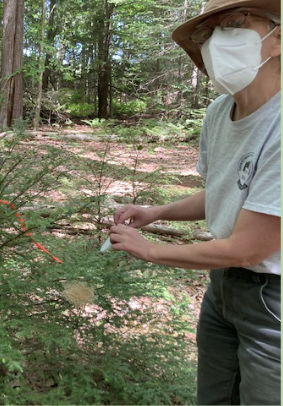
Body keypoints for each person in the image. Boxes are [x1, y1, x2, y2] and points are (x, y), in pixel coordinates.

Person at [108, 0, 281, 404]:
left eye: (235, 24)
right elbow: (227, 190)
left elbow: (249, 247)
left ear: (278, 39)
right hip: (222, 286)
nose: (219, 40)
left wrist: (150, 250)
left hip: (273, 299)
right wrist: (156, 213)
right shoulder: (220, 112)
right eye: (208, 32)